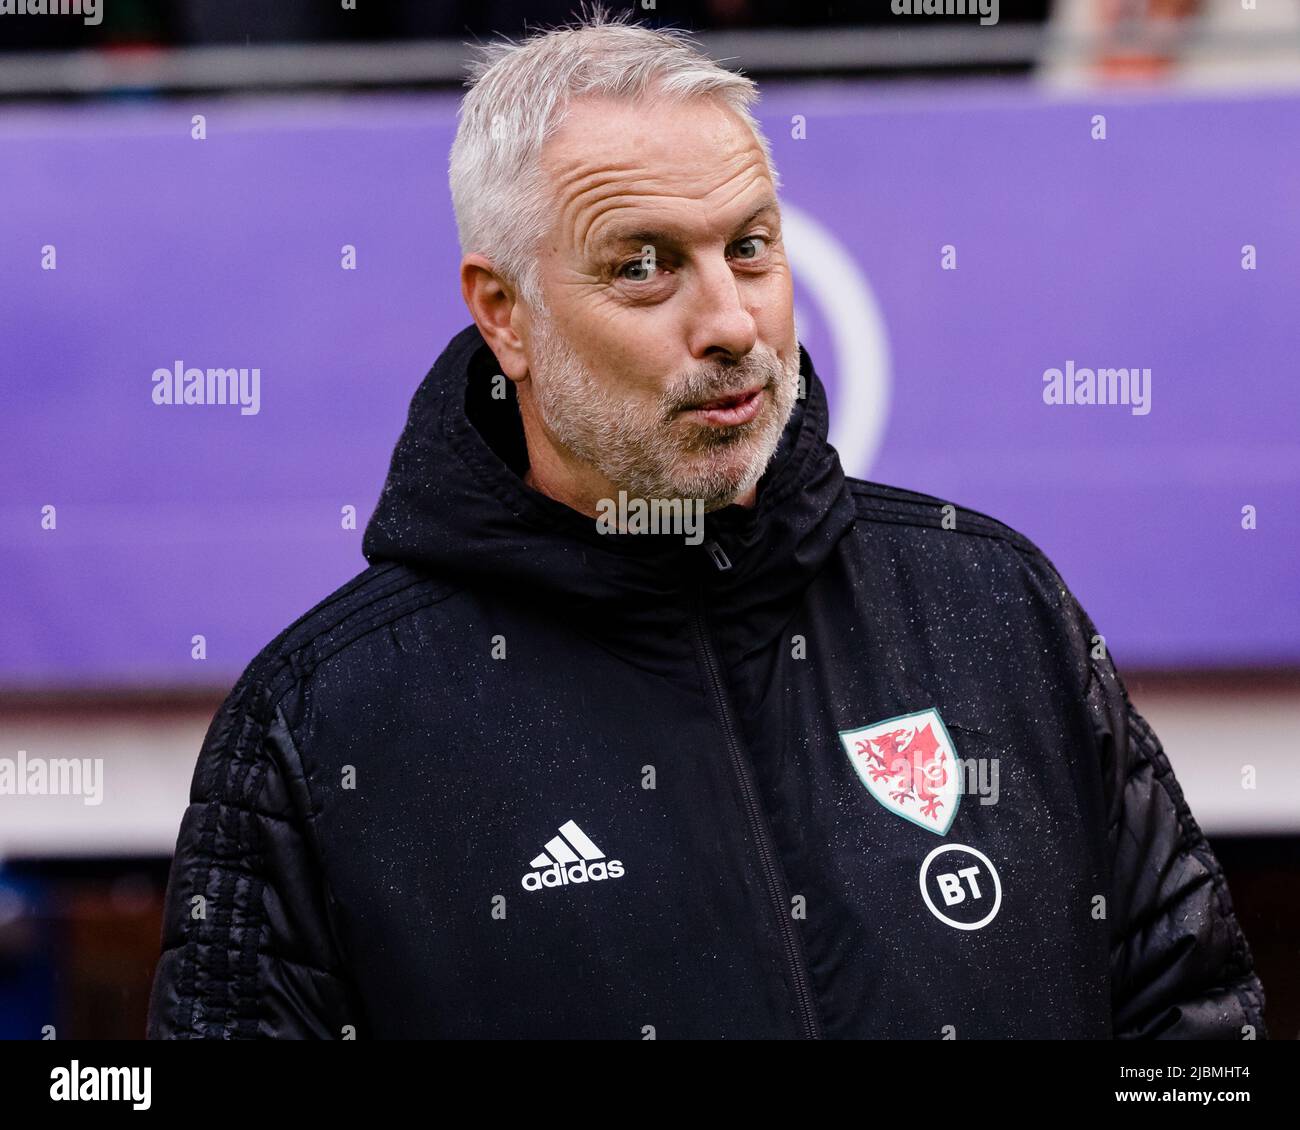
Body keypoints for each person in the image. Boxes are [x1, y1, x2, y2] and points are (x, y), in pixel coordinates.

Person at [146, 7, 1266, 1039]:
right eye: (643, 267)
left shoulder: (998, 607)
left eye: (750, 246)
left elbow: (1194, 1020)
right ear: (504, 313)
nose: (731, 322)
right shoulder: (319, 724)